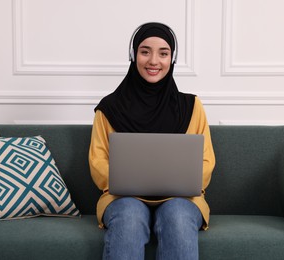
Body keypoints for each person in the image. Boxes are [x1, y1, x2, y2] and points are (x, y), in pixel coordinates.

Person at [89, 22, 216, 260]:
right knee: (129, 217)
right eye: (145, 51)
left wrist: (183, 181)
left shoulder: (191, 107)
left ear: (172, 59)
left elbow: (206, 160)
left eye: (163, 53)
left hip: (182, 198)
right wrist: (125, 181)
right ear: (133, 55)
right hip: (122, 198)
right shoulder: (109, 108)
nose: (154, 61)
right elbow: (98, 160)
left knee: (177, 217)